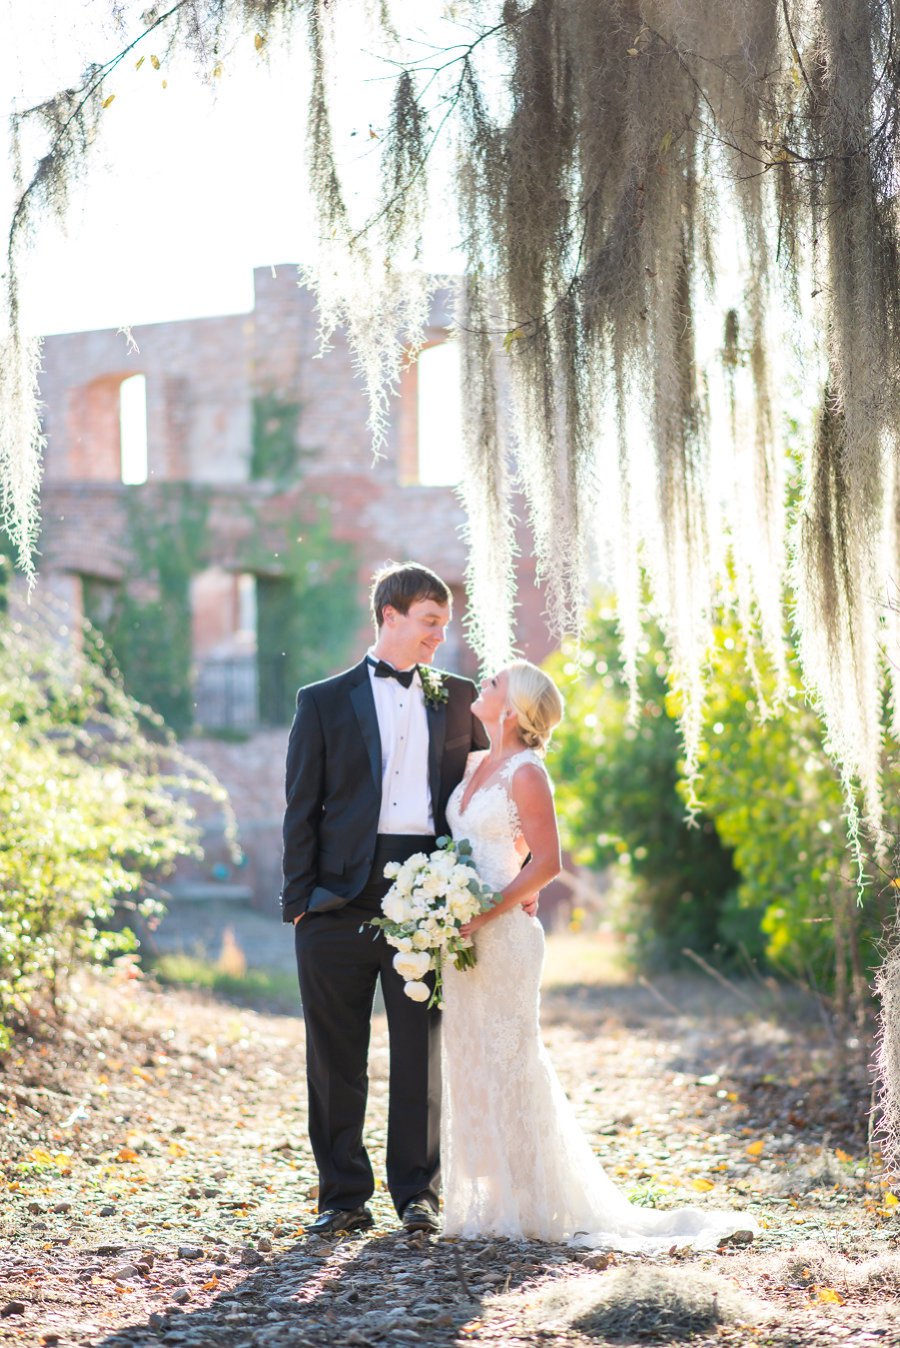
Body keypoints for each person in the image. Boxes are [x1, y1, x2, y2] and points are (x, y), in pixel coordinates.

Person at [440, 660, 759, 1251]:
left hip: (501, 934)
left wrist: (485, 911)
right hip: (459, 938)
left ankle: (534, 1200)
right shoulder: (470, 765)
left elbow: (548, 861)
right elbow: (483, 844)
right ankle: (491, 1201)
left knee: (511, 1056)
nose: (481, 686)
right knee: (468, 1054)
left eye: (493, 684)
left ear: (512, 708)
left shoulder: (528, 773)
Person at [280, 561, 489, 1238]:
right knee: (335, 1054)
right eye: (430, 622)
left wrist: (488, 883)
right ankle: (342, 1197)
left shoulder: (459, 700)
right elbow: (300, 808)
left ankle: (417, 1195)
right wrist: (301, 905)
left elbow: (479, 799)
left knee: (419, 1049)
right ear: (390, 615)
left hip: (427, 896)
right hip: (336, 899)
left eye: (443, 625)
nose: (439, 637)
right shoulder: (322, 701)